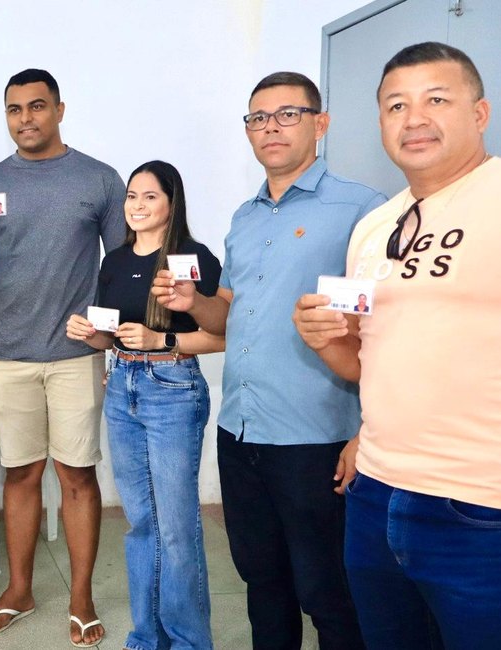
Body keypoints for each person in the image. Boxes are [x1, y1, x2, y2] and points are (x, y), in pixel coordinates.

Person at [293, 42, 501, 649]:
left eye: (437, 99)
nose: (414, 119)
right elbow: (361, 360)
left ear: (480, 113)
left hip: (491, 506)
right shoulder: (374, 226)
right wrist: (323, 339)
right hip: (376, 494)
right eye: (396, 105)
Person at [154, 71, 386, 650]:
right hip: (240, 431)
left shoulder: (364, 210)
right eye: (259, 118)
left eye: (288, 114)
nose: (271, 128)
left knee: (328, 592)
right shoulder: (245, 217)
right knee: (263, 583)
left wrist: (371, 432)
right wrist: (193, 303)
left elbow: (385, 333)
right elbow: (229, 316)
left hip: (316, 436)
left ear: (320, 123)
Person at [0, 68, 126, 647]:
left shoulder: (99, 179)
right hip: (9, 356)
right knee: (20, 474)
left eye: (36, 107)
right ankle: (20, 589)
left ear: (59, 109)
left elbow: (124, 267)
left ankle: (80, 596)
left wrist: (105, 335)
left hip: (76, 355)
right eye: (14, 109)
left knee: (77, 475)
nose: (25, 118)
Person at [66, 161, 224, 650]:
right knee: (140, 524)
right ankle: (146, 637)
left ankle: (189, 642)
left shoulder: (190, 258)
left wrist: (162, 337)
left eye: (149, 196)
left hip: (172, 387)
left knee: (176, 527)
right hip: (122, 386)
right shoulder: (113, 260)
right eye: (132, 196)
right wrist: (93, 335)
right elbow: (108, 335)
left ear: (171, 203)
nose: (136, 205)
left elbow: (222, 333)